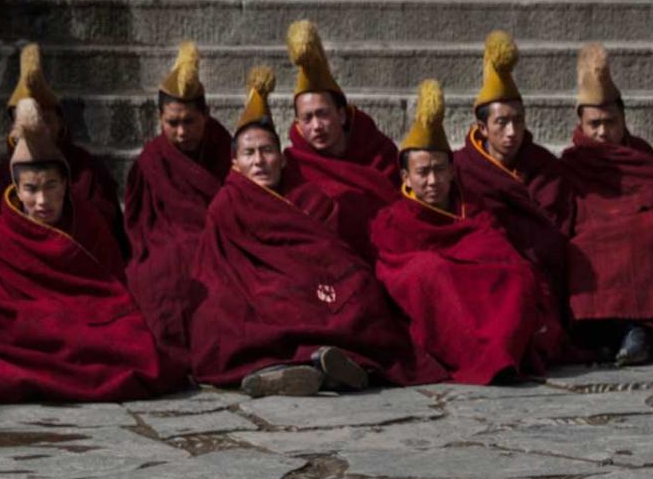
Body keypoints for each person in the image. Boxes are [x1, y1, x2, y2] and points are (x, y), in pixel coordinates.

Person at [190, 68, 438, 396]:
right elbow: (216, 262)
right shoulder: (227, 202)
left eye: (267, 151)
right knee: (232, 313)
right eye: (249, 153)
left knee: (360, 287)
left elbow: (327, 249)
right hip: (255, 287)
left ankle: (324, 366)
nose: (260, 161)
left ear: (281, 157)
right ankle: (301, 367)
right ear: (235, 163)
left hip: (310, 284)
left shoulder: (306, 194)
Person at [0, 99, 178, 404]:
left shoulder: (86, 222)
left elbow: (110, 286)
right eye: (31, 189)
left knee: (132, 343)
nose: (42, 200)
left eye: (51, 186)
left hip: (81, 316)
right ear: (17, 190)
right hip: (20, 325)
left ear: (65, 184)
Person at [370, 80, 563, 384]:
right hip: (439, 289)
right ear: (406, 176)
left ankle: (503, 354)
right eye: (423, 172)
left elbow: (497, 246)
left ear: (452, 170)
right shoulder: (391, 219)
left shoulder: (471, 209)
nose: (433, 181)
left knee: (519, 276)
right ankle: (481, 360)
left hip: (472, 286)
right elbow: (390, 270)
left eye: (439, 170)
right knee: (430, 271)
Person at [559, 43, 653, 367]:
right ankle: (614, 332)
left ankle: (638, 329)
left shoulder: (642, 156)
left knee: (651, 231)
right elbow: (562, 210)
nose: (603, 132)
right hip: (593, 231)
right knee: (587, 243)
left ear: (624, 120)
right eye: (594, 124)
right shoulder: (572, 163)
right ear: (581, 125)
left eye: (611, 122)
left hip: (634, 227)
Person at [455, 32, 576, 320]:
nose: (511, 132)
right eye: (502, 122)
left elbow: (558, 227)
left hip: (538, 269)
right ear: (482, 128)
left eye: (517, 121)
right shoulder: (461, 166)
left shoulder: (543, 165)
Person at [123, 41, 231, 363]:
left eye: (190, 121)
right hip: (167, 238)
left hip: (218, 235)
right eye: (172, 123)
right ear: (159, 119)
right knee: (163, 273)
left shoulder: (223, 145)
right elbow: (139, 223)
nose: (182, 132)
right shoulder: (150, 161)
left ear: (207, 115)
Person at [0, 44, 128, 260]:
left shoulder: (87, 169)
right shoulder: (2, 176)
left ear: (61, 121)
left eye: (46, 119)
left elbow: (103, 232)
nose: (40, 128)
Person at [275, 19, 400, 259]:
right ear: (298, 124)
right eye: (307, 118)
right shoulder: (294, 165)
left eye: (323, 114)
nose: (316, 126)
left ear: (341, 114)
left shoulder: (377, 149)